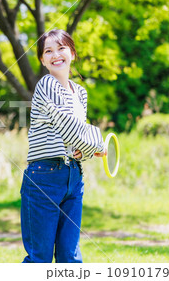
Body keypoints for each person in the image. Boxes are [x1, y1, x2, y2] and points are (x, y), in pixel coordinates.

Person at [21, 29, 106, 263]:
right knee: (40, 258)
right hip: (44, 177)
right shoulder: (47, 84)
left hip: (73, 176)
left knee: (70, 256)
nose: (55, 54)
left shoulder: (80, 92)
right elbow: (66, 124)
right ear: (42, 60)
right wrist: (97, 143)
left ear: (72, 53)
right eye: (48, 51)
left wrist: (84, 150)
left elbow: (77, 137)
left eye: (61, 48)